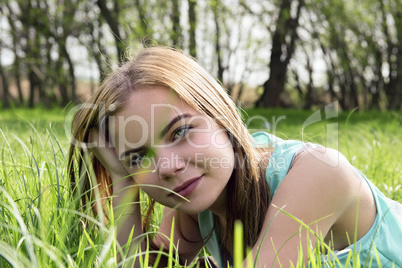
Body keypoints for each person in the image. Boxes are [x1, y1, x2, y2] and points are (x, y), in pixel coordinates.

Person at [67, 47, 402, 267]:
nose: (168, 167)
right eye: (140, 157)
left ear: (221, 115)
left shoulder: (318, 173)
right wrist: (124, 180)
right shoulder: (198, 202)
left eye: (181, 132)